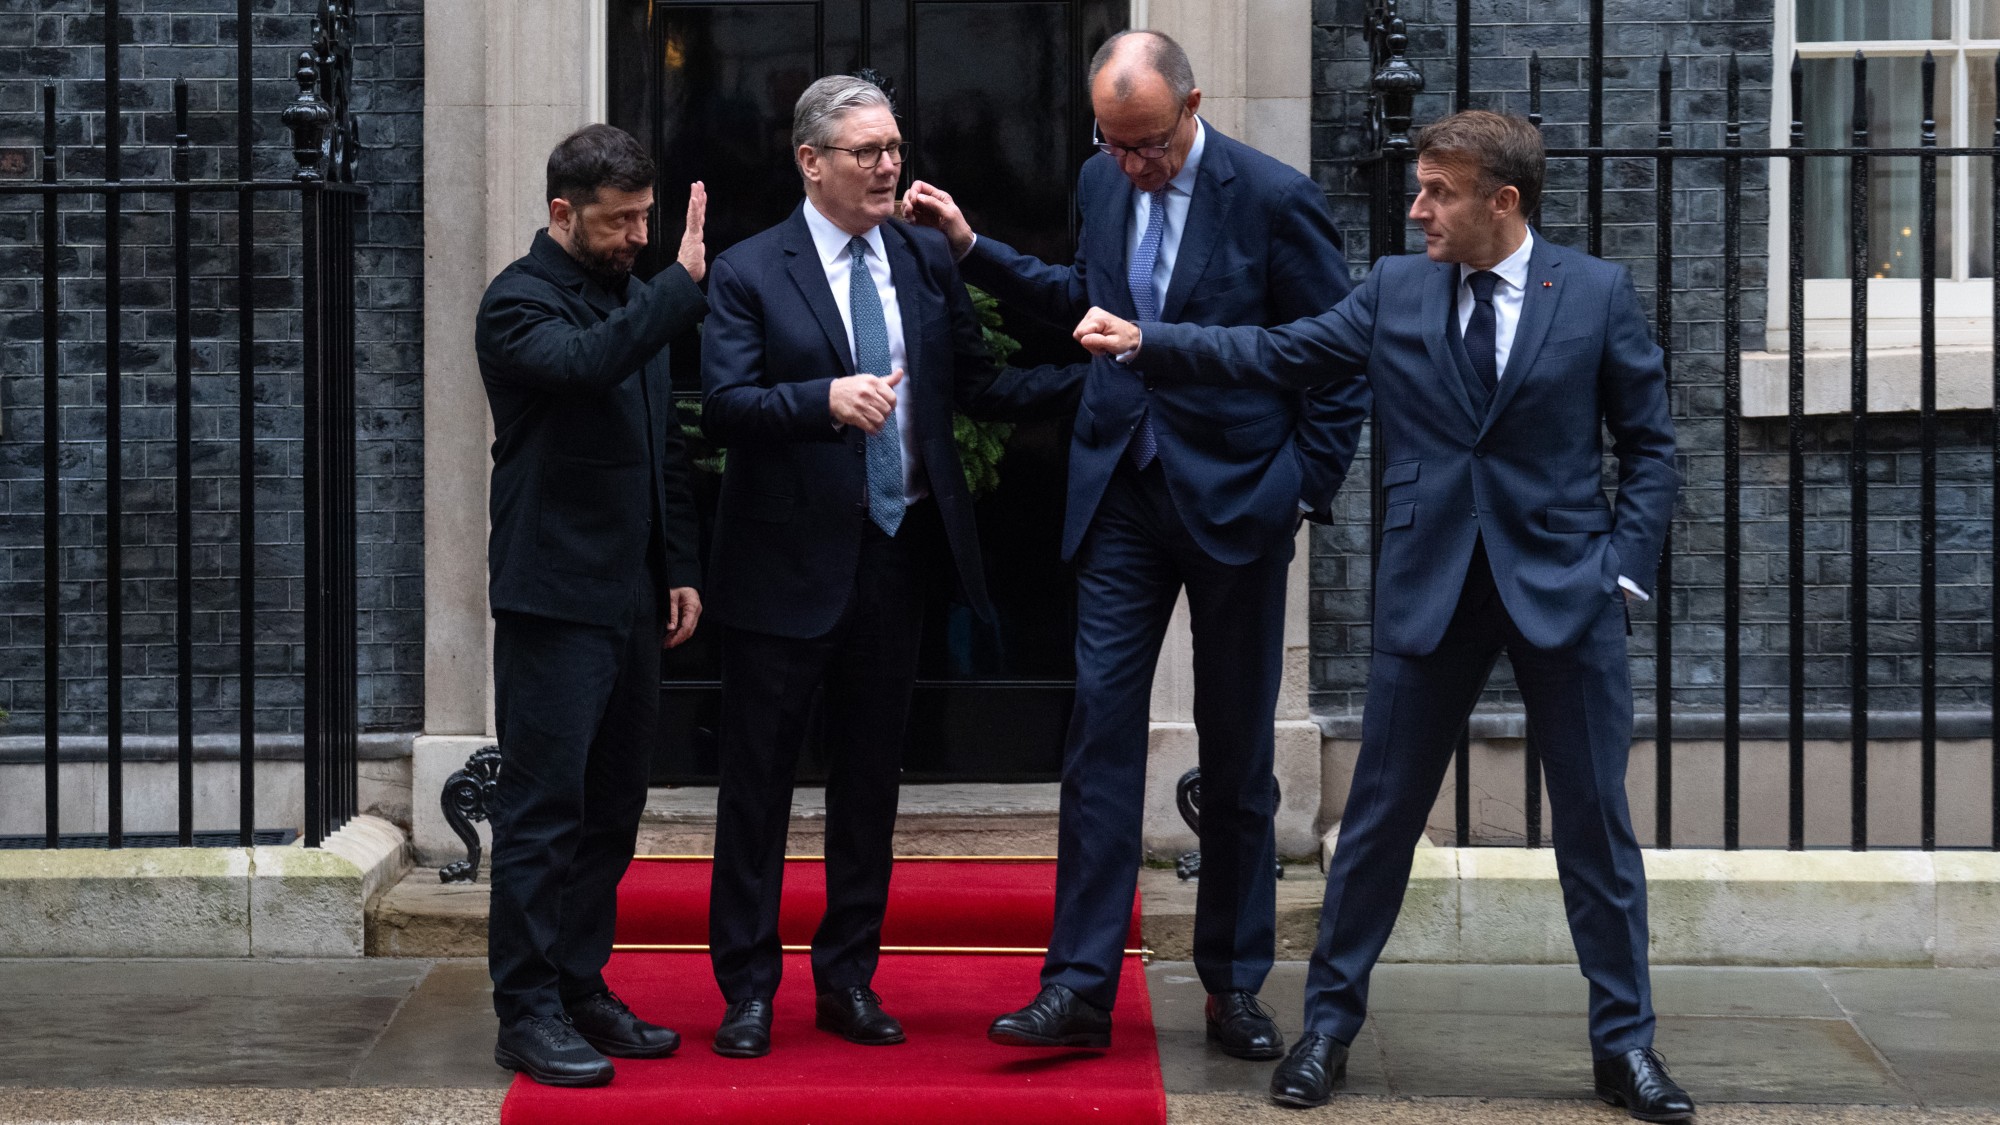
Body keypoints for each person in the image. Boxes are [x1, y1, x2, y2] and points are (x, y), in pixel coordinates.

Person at [1072, 109, 1692, 1121]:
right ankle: (1326, 1032)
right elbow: (1276, 352)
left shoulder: (1590, 293)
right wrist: (1148, 341)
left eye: (1436, 191)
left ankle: (1622, 1048)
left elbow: (1651, 447)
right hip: (1429, 587)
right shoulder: (1397, 289)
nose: (1415, 208)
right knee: (1374, 831)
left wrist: (1618, 572)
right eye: (1416, 186)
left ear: (1503, 200)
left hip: (1561, 595)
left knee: (1595, 835)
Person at [902, 29, 1369, 1059]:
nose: (1131, 165)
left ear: (1192, 106)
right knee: (1097, 740)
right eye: (1113, 144)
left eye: (1148, 144)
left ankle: (1233, 984)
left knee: (1237, 752)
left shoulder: (1270, 198)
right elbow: (1091, 306)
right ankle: (1075, 987)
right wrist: (976, 251)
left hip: (1239, 497)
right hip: (1119, 486)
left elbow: (1338, 357)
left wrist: (1300, 486)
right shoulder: (1099, 180)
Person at [699, 74, 1081, 1060]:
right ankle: (746, 990)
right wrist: (819, 400)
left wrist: (1098, 379)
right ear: (810, 162)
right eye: (866, 151)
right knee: (759, 790)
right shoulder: (750, 269)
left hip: (893, 559)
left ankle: (847, 981)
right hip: (780, 567)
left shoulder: (919, 256)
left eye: (894, 149)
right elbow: (725, 405)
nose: (888, 166)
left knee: (868, 786)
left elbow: (980, 384)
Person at [474, 124, 710, 1087]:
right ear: (563, 213)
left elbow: (662, 448)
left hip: (628, 596)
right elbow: (585, 367)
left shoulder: (630, 299)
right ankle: (524, 1008)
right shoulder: (519, 304)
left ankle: (580, 985)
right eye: (619, 222)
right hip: (550, 596)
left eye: (647, 219)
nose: (637, 238)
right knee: (544, 811)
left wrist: (678, 564)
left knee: (613, 808)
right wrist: (677, 290)